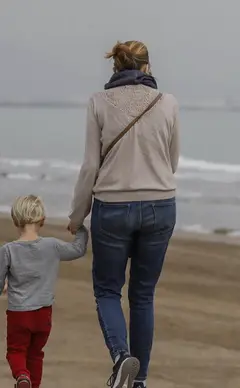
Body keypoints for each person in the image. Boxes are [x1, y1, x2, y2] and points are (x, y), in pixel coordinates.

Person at [68, 40, 180, 388]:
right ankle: (139, 381)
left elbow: (90, 166)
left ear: (115, 67)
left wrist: (77, 214)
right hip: (161, 204)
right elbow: (172, 162)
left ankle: (120, 358)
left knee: (106, 291)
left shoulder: (98, 103)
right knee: (143, 295)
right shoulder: (168, 102)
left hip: (112, 207)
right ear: (147, 67)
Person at [0, 195, 89, 388]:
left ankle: (22, 377)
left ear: (16, 220)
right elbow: (78, 249)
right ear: (42, 220)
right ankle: (34, 385)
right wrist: (79, 228)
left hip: (19, 314)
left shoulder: (8, 250)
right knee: (36, 354)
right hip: (43, 315)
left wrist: (4, 286)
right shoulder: (52, 246)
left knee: (16, 352)